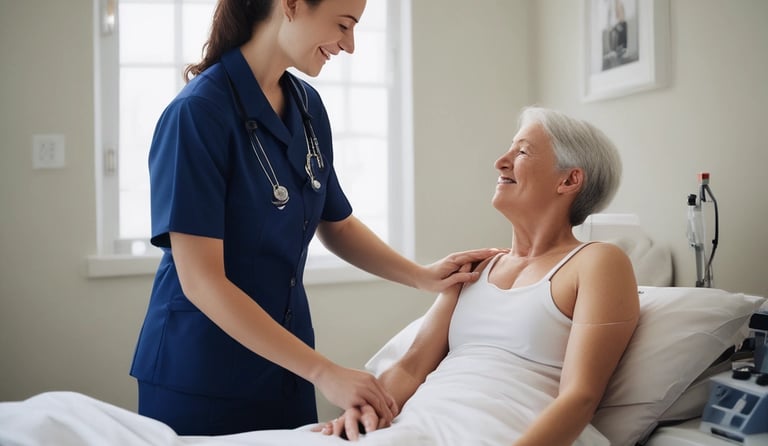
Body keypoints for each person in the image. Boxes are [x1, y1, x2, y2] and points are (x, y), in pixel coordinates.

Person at [129, 0, 497, 437]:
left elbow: (336, 223)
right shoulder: (197, 114)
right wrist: (325, 373)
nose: (350, 45)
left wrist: (422, 277)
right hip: (201, 373)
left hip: (287, 370)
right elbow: (201, 281)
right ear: (291, 5)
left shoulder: (307, 106)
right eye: (344, 25)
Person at [316, 107, 640, 445]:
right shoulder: (476, 268)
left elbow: (580, 397)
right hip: (414, 427)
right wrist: (363, 412)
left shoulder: (597, 262)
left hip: (502, 433)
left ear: (569, 180)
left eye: (523, 151)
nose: (501, 161)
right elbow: (410, 369)